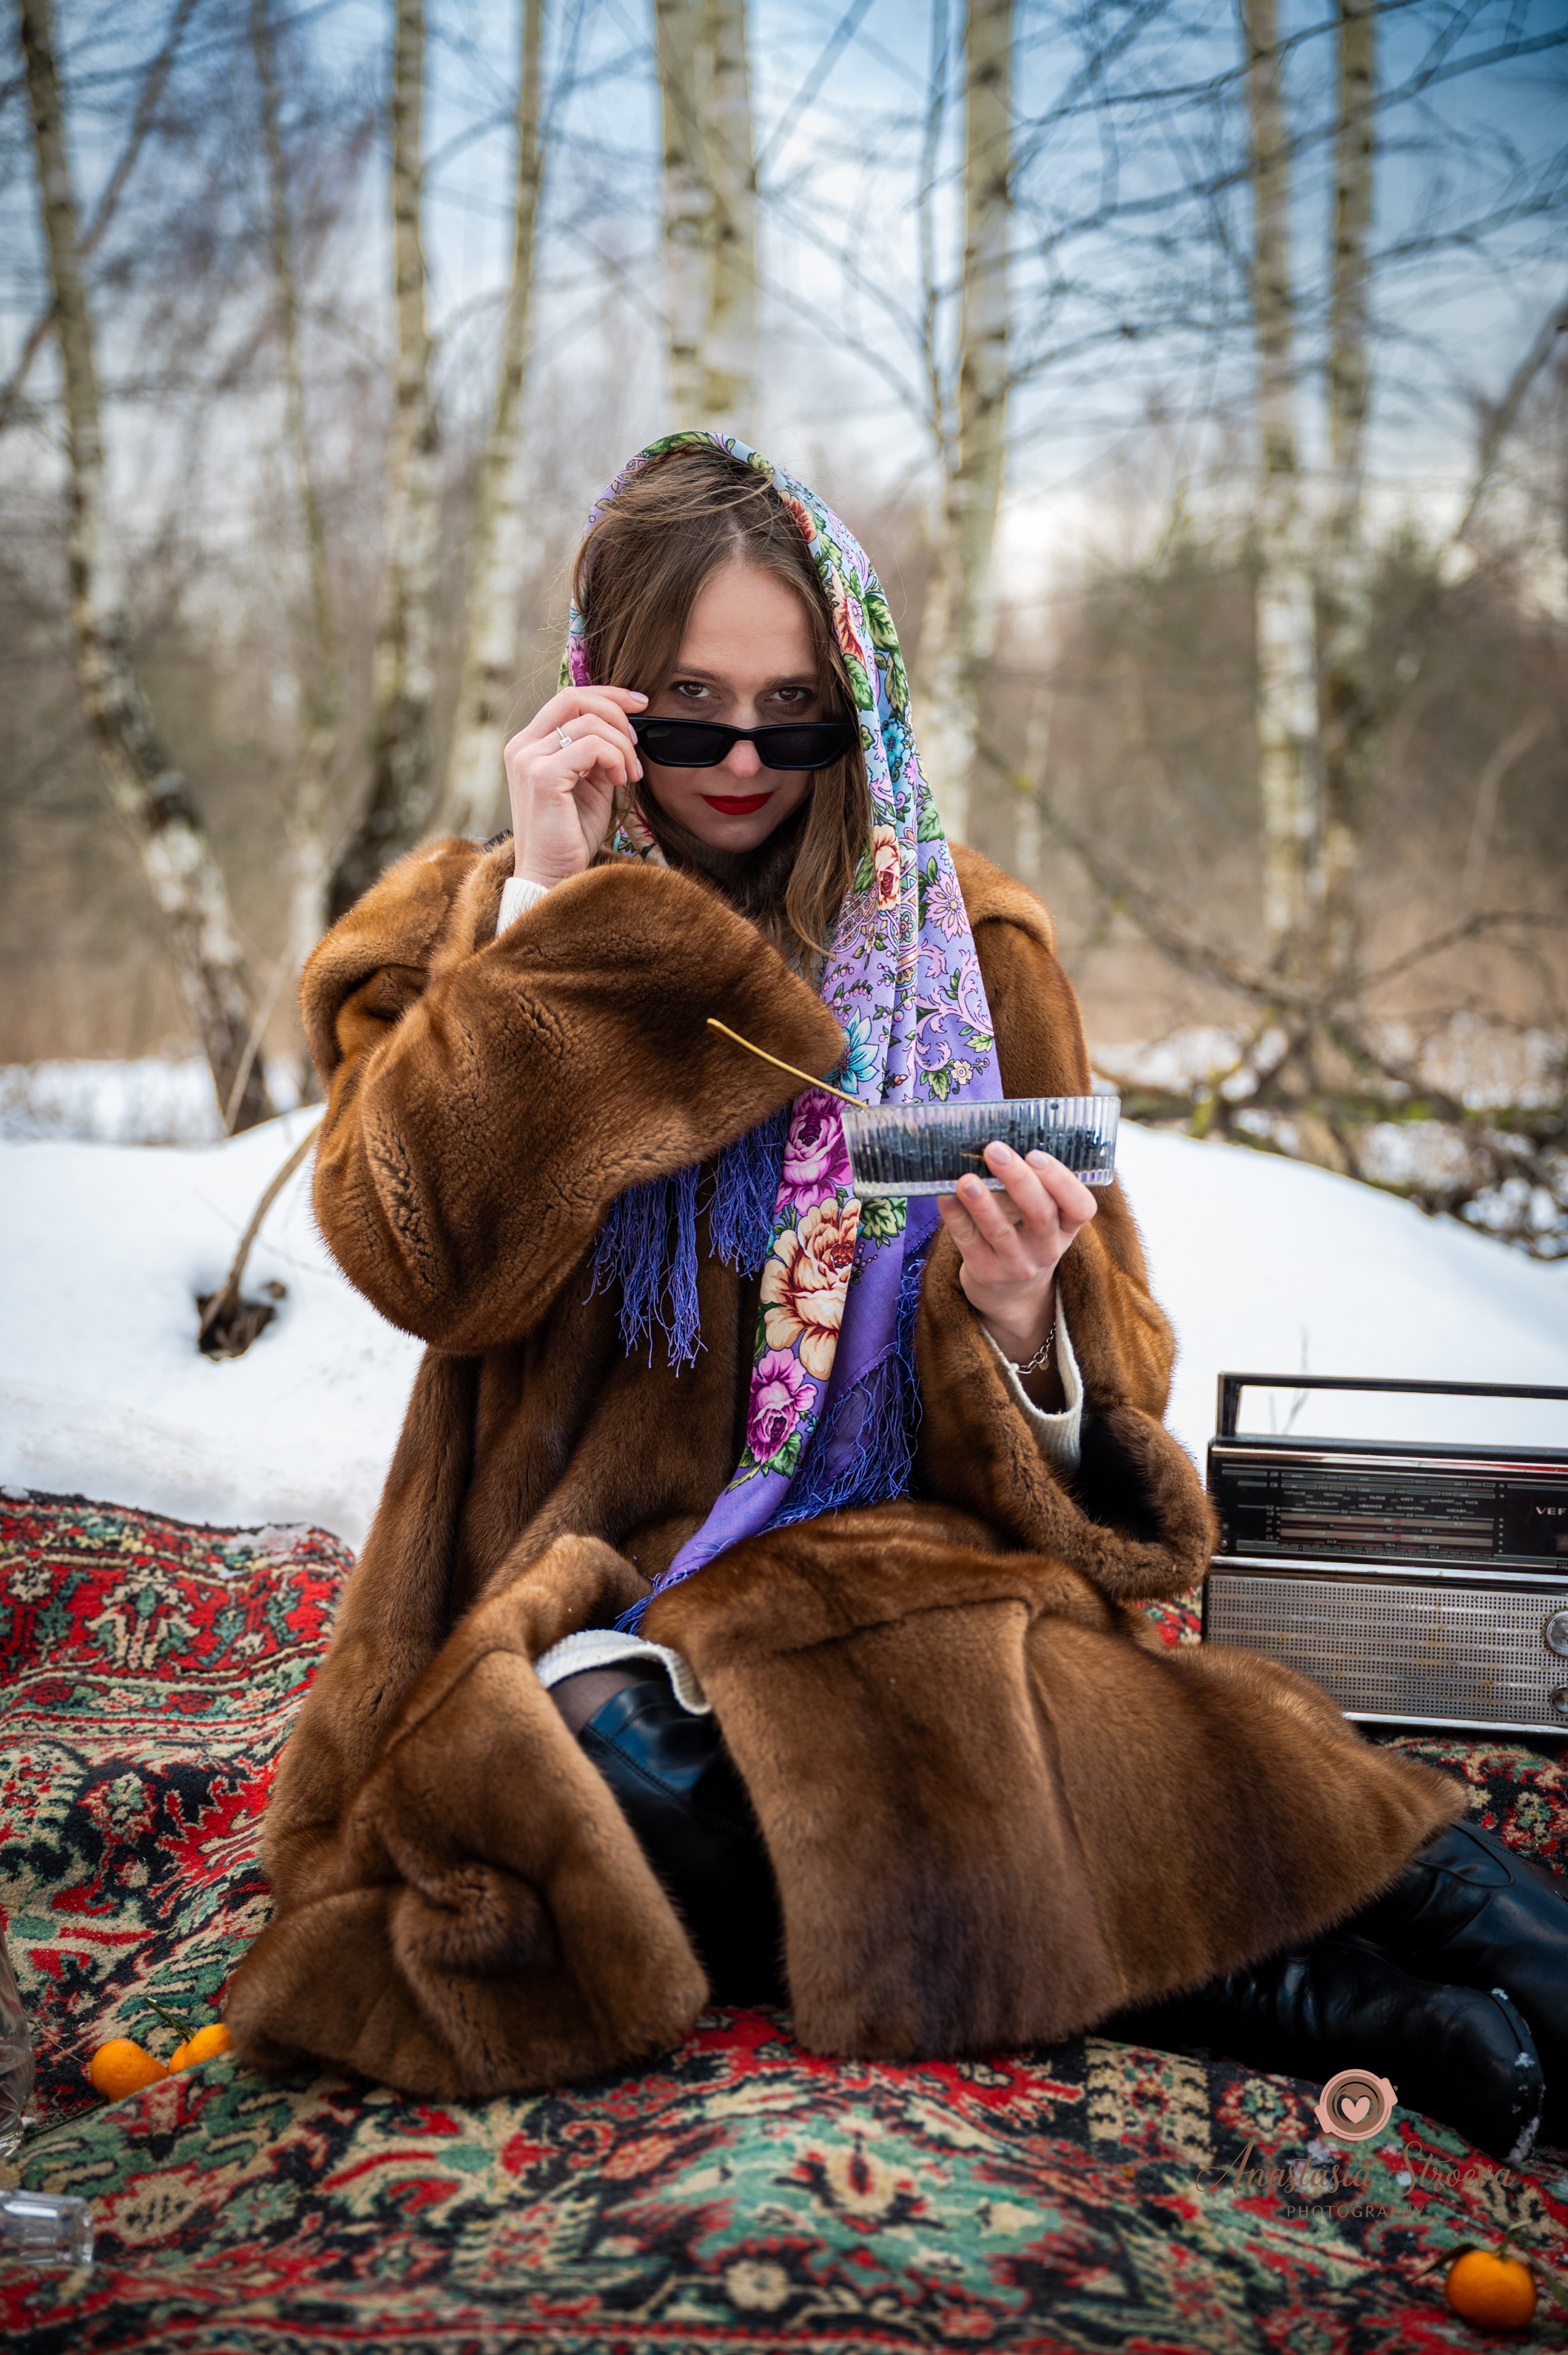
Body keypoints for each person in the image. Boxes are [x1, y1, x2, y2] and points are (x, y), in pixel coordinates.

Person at [227, 435, 1567, 2164]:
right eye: (687, 704)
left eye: (792, 709)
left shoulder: (976, 952)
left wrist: (1019, 1330)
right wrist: (556, 919)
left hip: (909, 1576)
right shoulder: (469, 933)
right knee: (591, 1765)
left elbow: (1121, 1376)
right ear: (601, 691)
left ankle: (1443, 1943)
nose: (738, 756)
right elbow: (427, 1264)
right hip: (591, 1603)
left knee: (1134, 1745)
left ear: (855, 698)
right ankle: (1295, 1991)